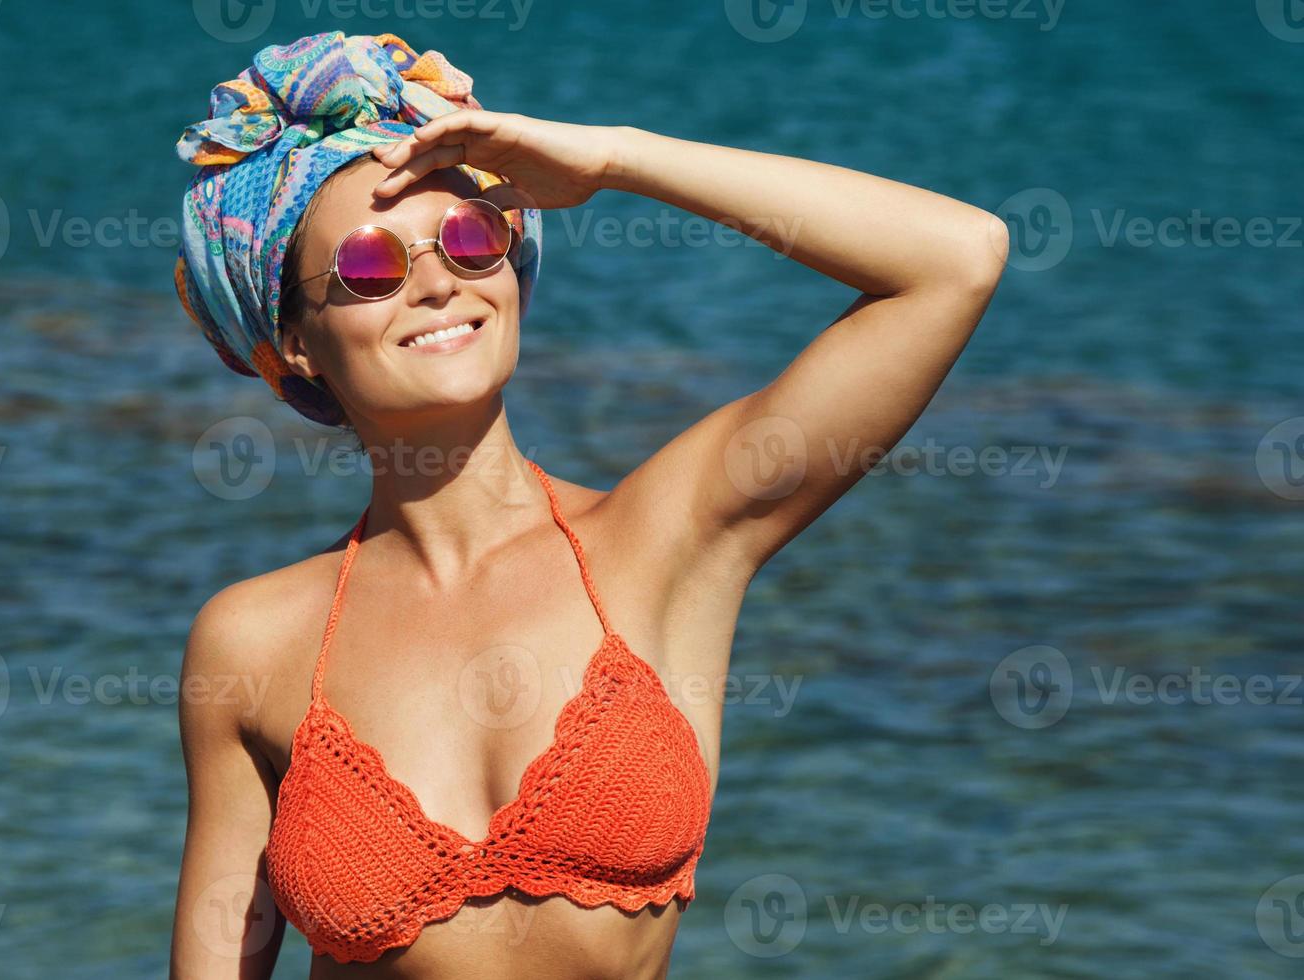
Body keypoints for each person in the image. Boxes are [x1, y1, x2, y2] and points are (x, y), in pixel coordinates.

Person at [167, 30, 1008, 980]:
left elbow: (955, 258)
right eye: (369, 266)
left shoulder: (667, 539)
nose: (438, 279)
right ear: (299, 343)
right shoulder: (255, 643)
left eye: (471, 238)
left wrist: (611, 159)